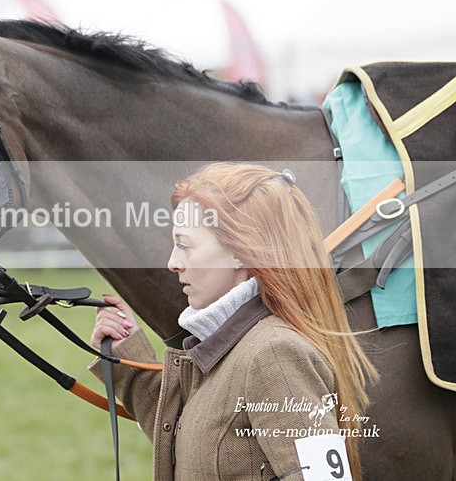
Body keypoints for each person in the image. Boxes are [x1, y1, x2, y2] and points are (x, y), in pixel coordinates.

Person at [90, 163, 379, 480]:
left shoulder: (274, 354)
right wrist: (127, 355)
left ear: (241, 252)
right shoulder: (230, 348)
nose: (173, 263)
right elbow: (188, 445)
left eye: (185, 245)